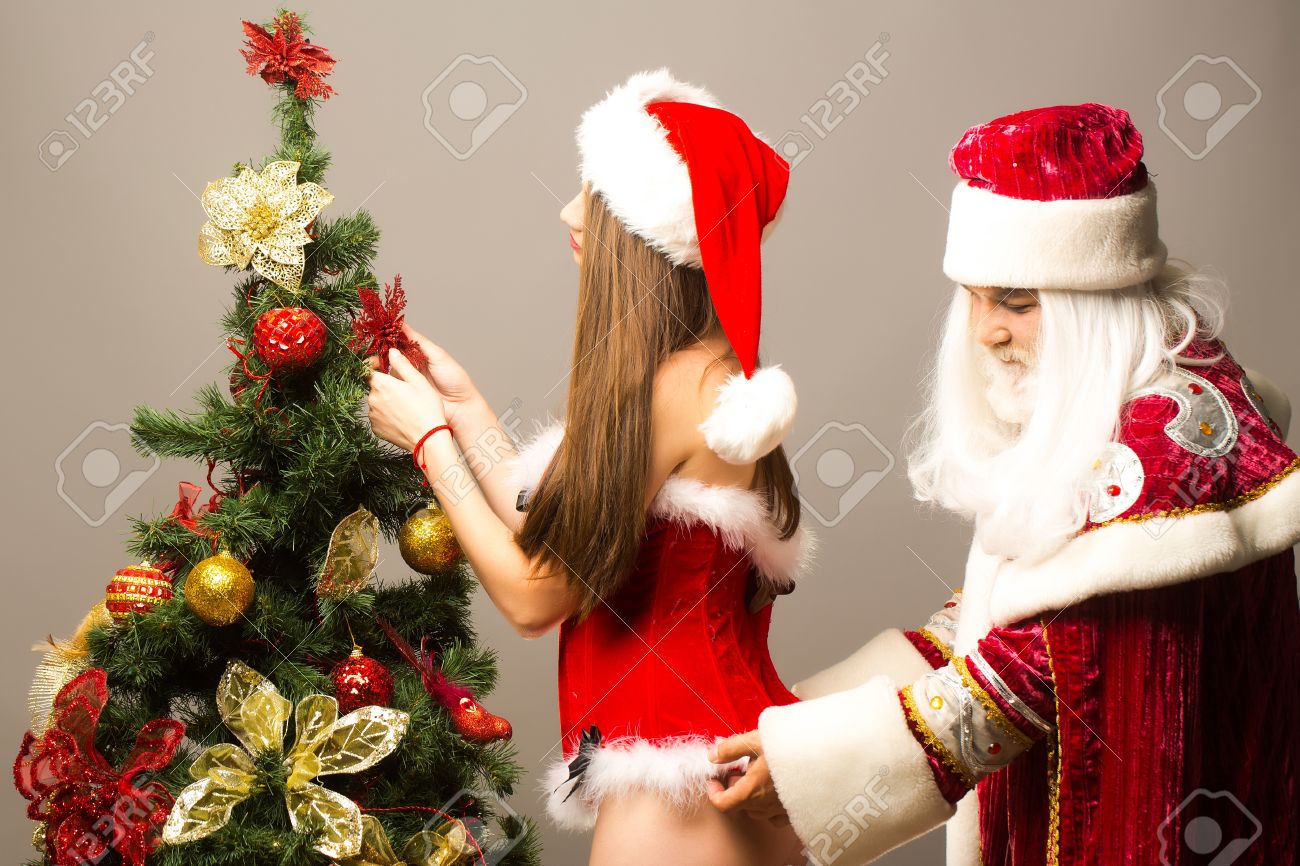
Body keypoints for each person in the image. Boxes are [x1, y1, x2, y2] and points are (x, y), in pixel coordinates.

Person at [706, 104, 1300, 865]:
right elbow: (1003, 614)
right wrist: (794, 714)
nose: (985, 330)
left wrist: (805, 767)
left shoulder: (1165, 445)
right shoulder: (1112, 390)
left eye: (1015, 303)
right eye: (974, 296)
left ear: (1095, 298)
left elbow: (1033, 669)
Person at [365, 68, 812, 866]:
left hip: (676, 802)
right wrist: (467, 414)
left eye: (594, 196)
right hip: (726, 774)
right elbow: (554, 522)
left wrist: (430, 445)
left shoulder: (673, 389)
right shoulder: (700, 371)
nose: (570, 212)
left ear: (645, 235)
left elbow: (535, 594)